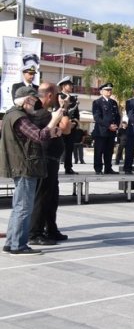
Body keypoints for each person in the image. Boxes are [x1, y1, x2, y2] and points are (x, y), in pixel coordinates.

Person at [1, 86, 66, 255]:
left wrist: (52, 131)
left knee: (19, 207)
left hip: (22, 165)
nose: (35, 103)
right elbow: (38, 136)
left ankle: (11, 243)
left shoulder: (12, 114)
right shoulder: (19, 117)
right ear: (26, 100)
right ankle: (18, 245)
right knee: (24, 207)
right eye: (33, 99)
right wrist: (54, 120)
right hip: (25, 166)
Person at [29, 83, 73, 246]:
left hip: (51, 160)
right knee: (42, 197)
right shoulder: (40, 113)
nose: (58, 98)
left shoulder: (44, 112)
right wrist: (65, 108)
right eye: (56, 95)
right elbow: (66, 128)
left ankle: (51, 229)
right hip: (44, 160)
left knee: (51, 197)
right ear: (49, 95)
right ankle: (35, 233)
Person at [91, 83, 120, 174]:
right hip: (101, 131)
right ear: (102, 91)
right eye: (107, 90)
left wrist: (116, 125)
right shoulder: (97, 102)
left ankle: (108, 168)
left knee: (109, 151)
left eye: (110, 89)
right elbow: (97, 118)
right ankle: (98, 169)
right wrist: (108, 126)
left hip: (111, 132)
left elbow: (117, 116)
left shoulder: (113, 102)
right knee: (99, 151)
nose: (109, 91)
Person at [57, 76, 80, 174]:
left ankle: (68, 167)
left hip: (71, 127)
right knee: (57, 147)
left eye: (71, 85)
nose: (71, 86)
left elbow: (76, 113)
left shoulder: (73, 98)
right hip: (61, 126)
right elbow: (56, 111)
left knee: (69, 148)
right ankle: (55, 167)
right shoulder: (58, 96)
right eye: (69, 85)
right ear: (63, 86)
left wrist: (74, 123)